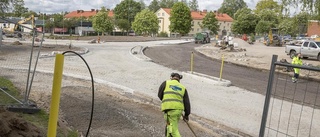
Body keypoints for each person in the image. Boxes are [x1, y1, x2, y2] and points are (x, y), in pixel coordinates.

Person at [158, 73, 191, 137]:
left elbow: (160, 95)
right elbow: (187, 102)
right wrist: (186, 115)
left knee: (173, 131)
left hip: (170, 111)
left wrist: (167, 101)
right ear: (179, 80)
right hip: (178, 111)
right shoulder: (183, 88)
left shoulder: (166, 83)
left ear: (171, 77)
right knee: (169, 128)